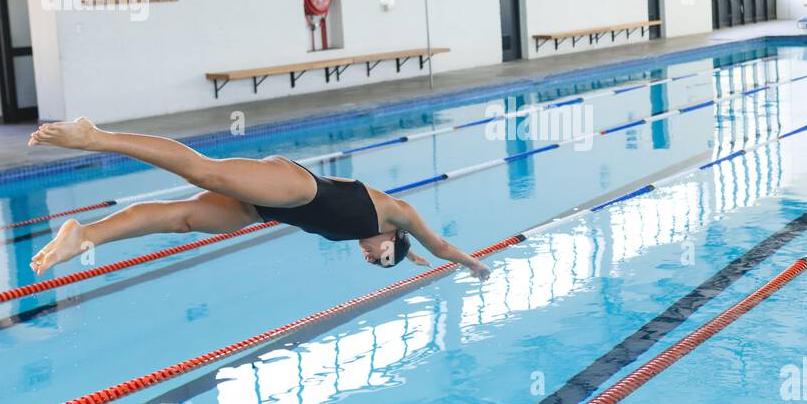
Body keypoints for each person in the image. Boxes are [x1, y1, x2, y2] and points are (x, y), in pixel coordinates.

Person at [26, 118, 490, 280]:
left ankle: (85, 234)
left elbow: (401, 250)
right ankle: (95, 136)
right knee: (202, 169)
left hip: (264, 210)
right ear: (393, 238)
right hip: (294, 188)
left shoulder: (380, 234)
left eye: (373, 261)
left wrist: (404, 260)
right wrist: (475, 265)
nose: (368, 257)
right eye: (378, 257)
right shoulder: (397, 214)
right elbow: (439, 246)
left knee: (183, 220)